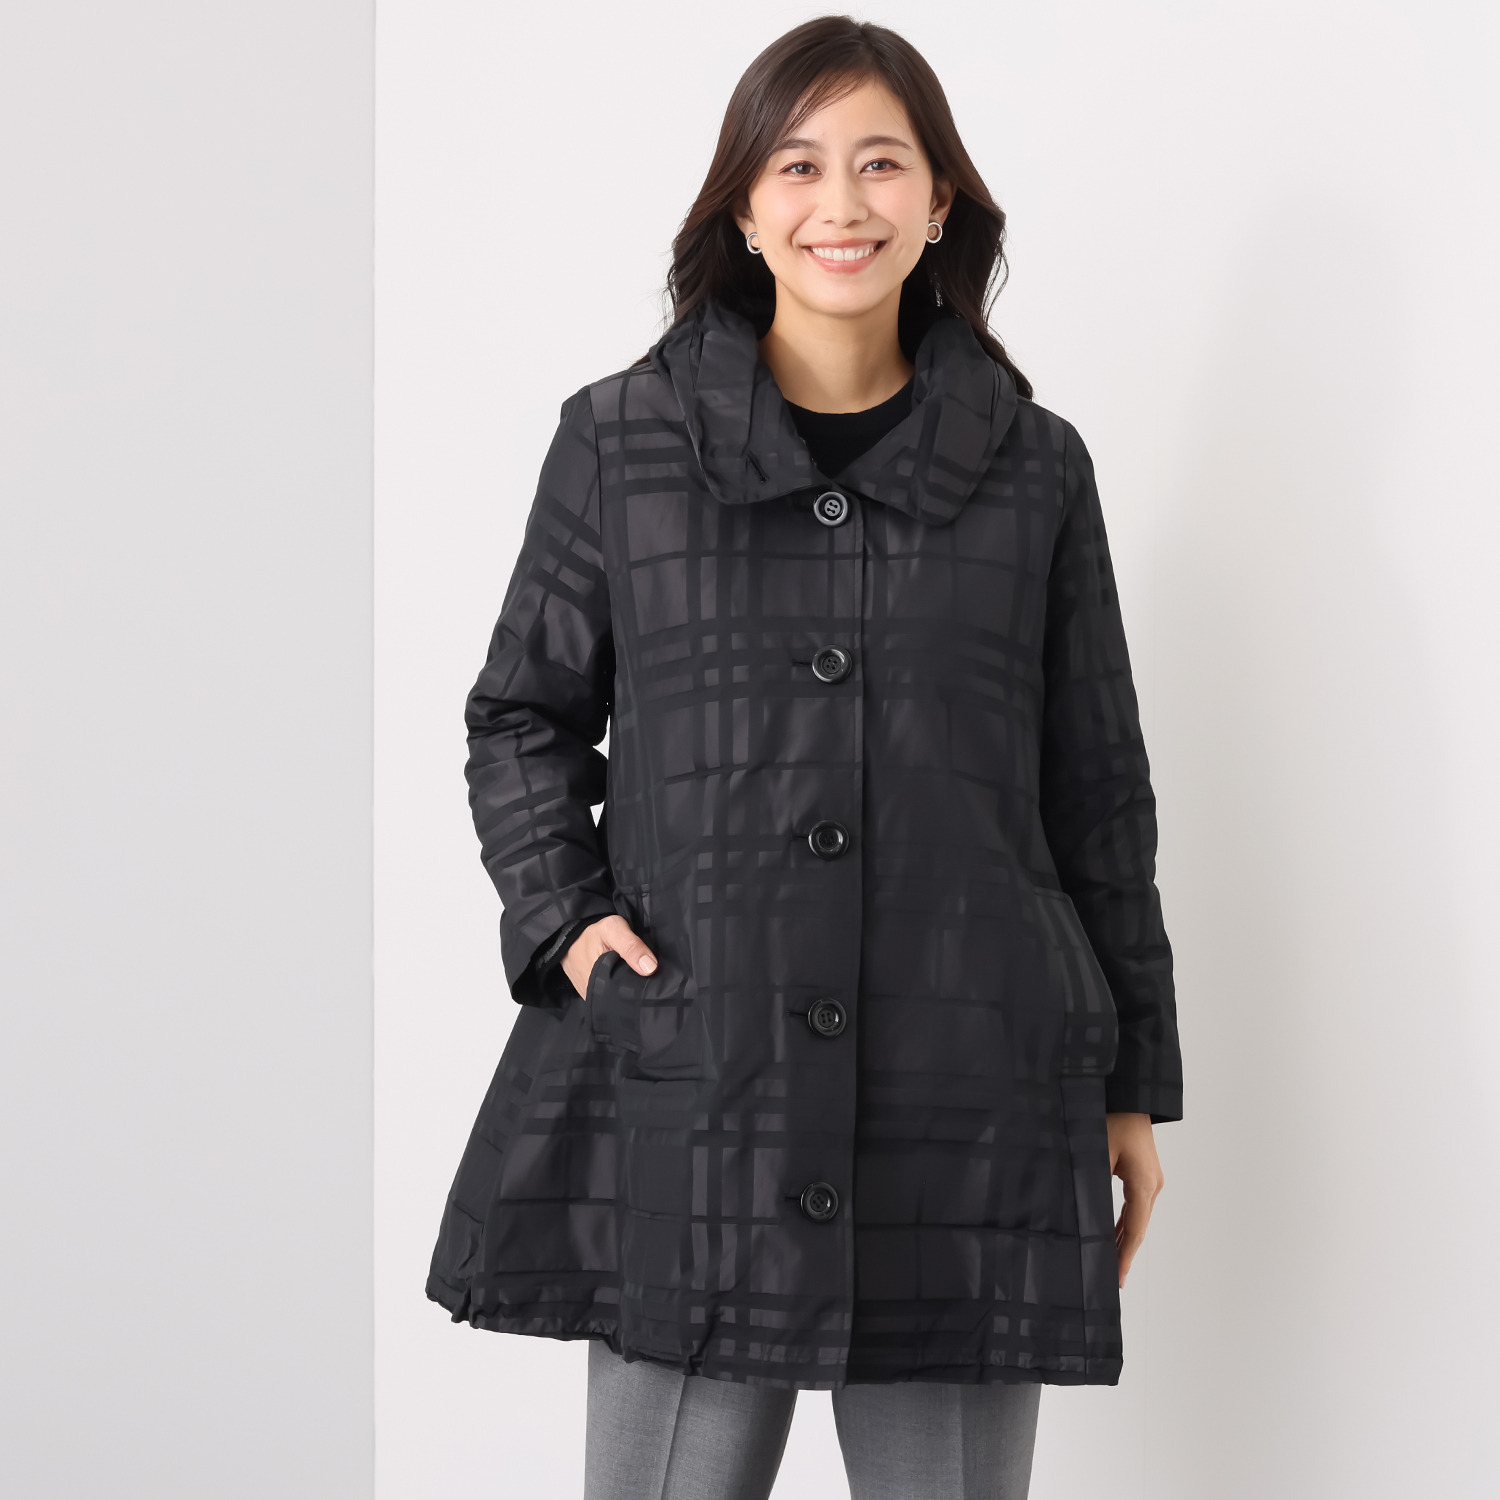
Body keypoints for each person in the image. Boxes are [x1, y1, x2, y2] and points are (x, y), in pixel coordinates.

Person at [426, 16, 1183, 1499]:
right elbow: (519, 714)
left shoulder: (1036, 468)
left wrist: (1132, 1083)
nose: (843, 202)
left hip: (973, 1089)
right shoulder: (624, 444)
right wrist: (571, 926)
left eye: (882, 163)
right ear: (743, 206)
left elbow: (1099, 791)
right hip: (701, 1076)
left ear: (941, 200)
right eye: (798, 164)